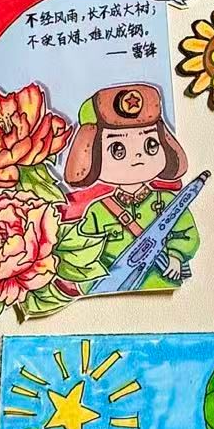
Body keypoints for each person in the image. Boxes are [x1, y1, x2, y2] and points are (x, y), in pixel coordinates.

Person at [59, 83, 198, 291]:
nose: (138, 155)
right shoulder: (97, 211)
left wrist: (176, 256)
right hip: (109, 291)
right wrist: (91, 288)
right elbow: (82, 256)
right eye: (118, 149)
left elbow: (187, 232)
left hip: (162, 282)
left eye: (151, 144)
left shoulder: (171, 202)